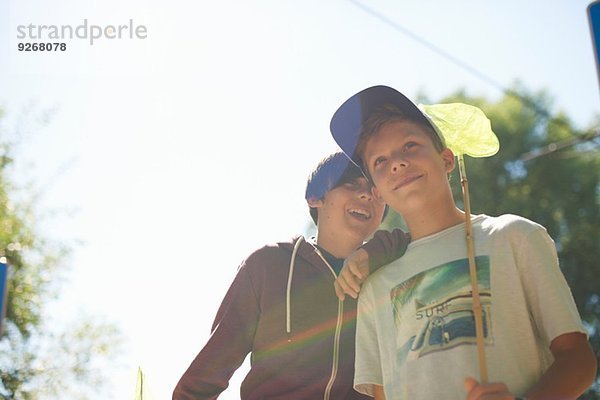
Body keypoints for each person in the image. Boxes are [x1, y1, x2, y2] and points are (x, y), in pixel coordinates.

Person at [329, 85, 597, 400]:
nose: (397, 163)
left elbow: (578, 360)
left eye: (410, 145)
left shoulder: (514, 237)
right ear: (377, 191)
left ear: (446, 159)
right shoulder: (375, 289)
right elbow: (381, 394)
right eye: (380, 161)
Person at [172, 151, 410, 400]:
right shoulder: (267, 265)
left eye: (375, 190)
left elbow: (434, 232)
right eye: (350, 183)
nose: (366, 194)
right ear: (315, 198)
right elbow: (200, 382)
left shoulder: (391, 269)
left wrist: (376, 251)